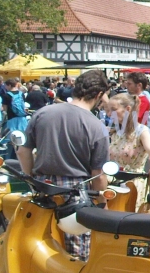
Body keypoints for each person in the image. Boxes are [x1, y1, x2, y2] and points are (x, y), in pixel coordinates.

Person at [17, 70, 111, 259]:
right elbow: (98, 174)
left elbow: (23, 151)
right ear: (99, 94)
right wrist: (103, 204)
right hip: (74, 193)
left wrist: (32, 179)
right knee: (75, 256)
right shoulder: (96, 126)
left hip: (42, 187)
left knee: (35, 246)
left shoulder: (42, 113)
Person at [106, 93, 150, 211]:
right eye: (108, 110)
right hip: (113, 185)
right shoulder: (114, 132)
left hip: (134, 186)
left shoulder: (141, 131)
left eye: (113, 110)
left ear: (127, 109)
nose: (109, 114)